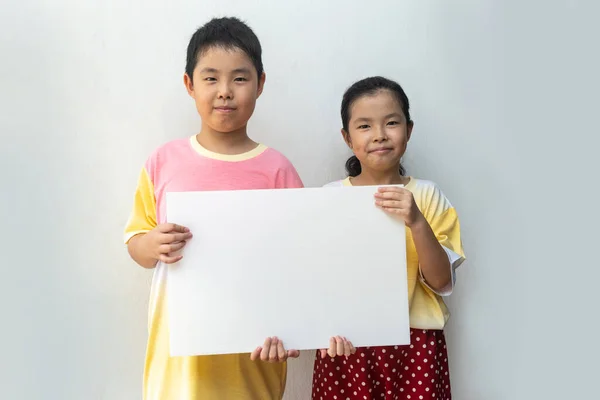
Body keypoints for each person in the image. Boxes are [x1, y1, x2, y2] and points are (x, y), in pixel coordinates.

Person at [123, 17, 303, 400]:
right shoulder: (163, 161)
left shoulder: (278, 169)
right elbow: (136, 244)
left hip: (254, 359)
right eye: (210, 78)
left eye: (239, 78)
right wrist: (151, 244)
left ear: (261, 84)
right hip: (179, 367)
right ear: (189, 84)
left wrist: (294, 327)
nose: (225, 92)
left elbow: (297, 266)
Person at [312, 76, 465, 400]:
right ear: (347, 137)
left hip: (416, 347)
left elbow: (441, 282)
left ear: (408, 130)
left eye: (391, 123)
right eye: (364, 126)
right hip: (346, 346)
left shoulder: (427, 195)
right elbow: (315, 282)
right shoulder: (328, 199)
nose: (379, 135)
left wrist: (416, 221)